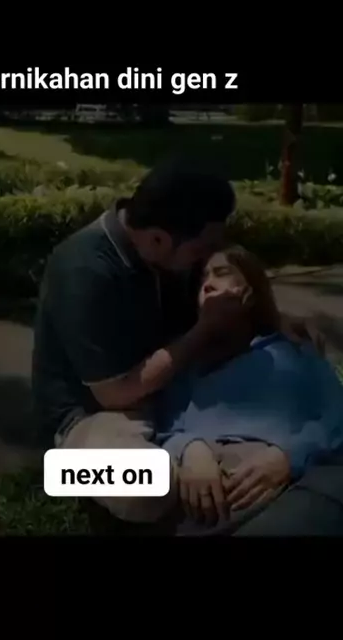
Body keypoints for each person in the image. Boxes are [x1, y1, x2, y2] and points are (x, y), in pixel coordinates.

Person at [31, 156, 321, 526]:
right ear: (158, 239)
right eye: (201, 249)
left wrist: (274, 319)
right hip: (94, 416)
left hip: (173, 402)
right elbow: (116, 394)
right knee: (148, 488)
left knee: (254, 456)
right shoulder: (83, 268)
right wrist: (204, 330)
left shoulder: (171, 252)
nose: (206, 258)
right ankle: (68, 472)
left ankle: (194, 469)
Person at [155, 245, 343, 535]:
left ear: (250, 292)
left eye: (221, 273)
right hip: (206, 506)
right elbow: (165, 423)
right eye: (203, 278)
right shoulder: (187, 363)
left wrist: (289, 456)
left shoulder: (292, 351)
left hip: (289, 490)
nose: (208, 283)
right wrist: (190, 449)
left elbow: (337, 415)